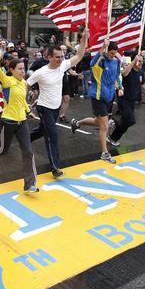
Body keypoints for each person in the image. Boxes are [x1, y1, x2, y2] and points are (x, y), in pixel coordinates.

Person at [28, 28, 87, 177]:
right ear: (48, 57)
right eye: (57, 57)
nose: (60, 59)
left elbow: (79, 55)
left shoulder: (63, 66)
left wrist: (84, 40)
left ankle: (24, 139)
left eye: (62, 56)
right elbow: (25, 85)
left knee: (43, 130)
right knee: (52, 135)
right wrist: (24, 105)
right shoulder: (40, 72)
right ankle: (55, 167)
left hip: (55, 107)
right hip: (43, 107)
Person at [0, 56, 38, 194]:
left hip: (22, 122)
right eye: (19, 69)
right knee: (3, 149)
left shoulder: (24, 83)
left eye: (23, 69)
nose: (22, 71)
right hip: (8, 121)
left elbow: (22, 100)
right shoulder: (7, 81)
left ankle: (29, 184)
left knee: (28, 152)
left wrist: (28, 111)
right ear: (12, 70)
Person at [70, 40, 121, 164]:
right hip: (98, 97)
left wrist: (120, 87)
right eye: (111, 53)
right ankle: (104, 153)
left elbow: (116, 76)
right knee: (105, 126)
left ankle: (77, 123)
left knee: (98, 122)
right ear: (106, 51)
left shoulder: (116, 62)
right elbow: (92, 63)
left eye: (114, 54)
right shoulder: (100, 60)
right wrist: (102, 48)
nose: (112, 56)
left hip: (109, 97)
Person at [106, 55, 145, 147]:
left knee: (125, 123)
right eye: (139, 61)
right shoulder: (129, 70)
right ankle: (114, 121)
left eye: (142, 61)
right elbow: (124, 73)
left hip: (132, 101)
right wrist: (134, 61)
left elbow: (143, 84)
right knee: (130, 120)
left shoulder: (141, 73)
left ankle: (113, 138)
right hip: (124, 99)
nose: (141, 63)